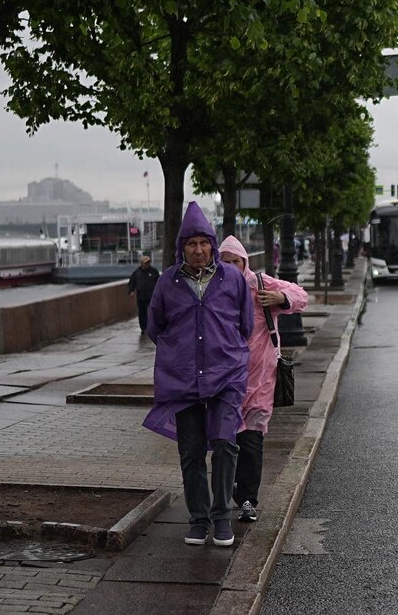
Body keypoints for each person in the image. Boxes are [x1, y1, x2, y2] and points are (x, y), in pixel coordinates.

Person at [144, 202, 253, 547]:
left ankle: (221, 517)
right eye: (191, 243)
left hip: (226, 374)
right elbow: (154, 326)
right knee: (190, 450)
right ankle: (199, 519)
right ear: (182, 247)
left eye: (204, 242)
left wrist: (226, 349)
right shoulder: (168, 282)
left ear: (213, 244)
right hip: (183, 377)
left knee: (225, 443)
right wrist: (178, 351)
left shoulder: (232, 279)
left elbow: (246, 325)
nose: (198, 249)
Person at [218, 236, 308, 522]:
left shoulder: (260, 283)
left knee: (252, 439)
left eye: (236, 261)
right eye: (225, 262)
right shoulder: (215, 289)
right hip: (226, 378)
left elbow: (300, 295)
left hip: (261, 378)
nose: (231, 267)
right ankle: (230, 487)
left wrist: (281, 298)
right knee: (227, 439)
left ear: (244, 262)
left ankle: (248, 498)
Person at [127, 253, 160, 333]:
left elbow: (159, 282)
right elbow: (132, 283)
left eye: (148, 262)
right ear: (142, 263)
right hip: (141, 296)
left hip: (152, 295)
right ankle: (143, 328)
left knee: (153, 312)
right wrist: (131, 291)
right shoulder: (137, 272)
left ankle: (153, 326)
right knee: (142, 313)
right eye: (146, 262)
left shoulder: (154, 271)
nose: (147, 264)